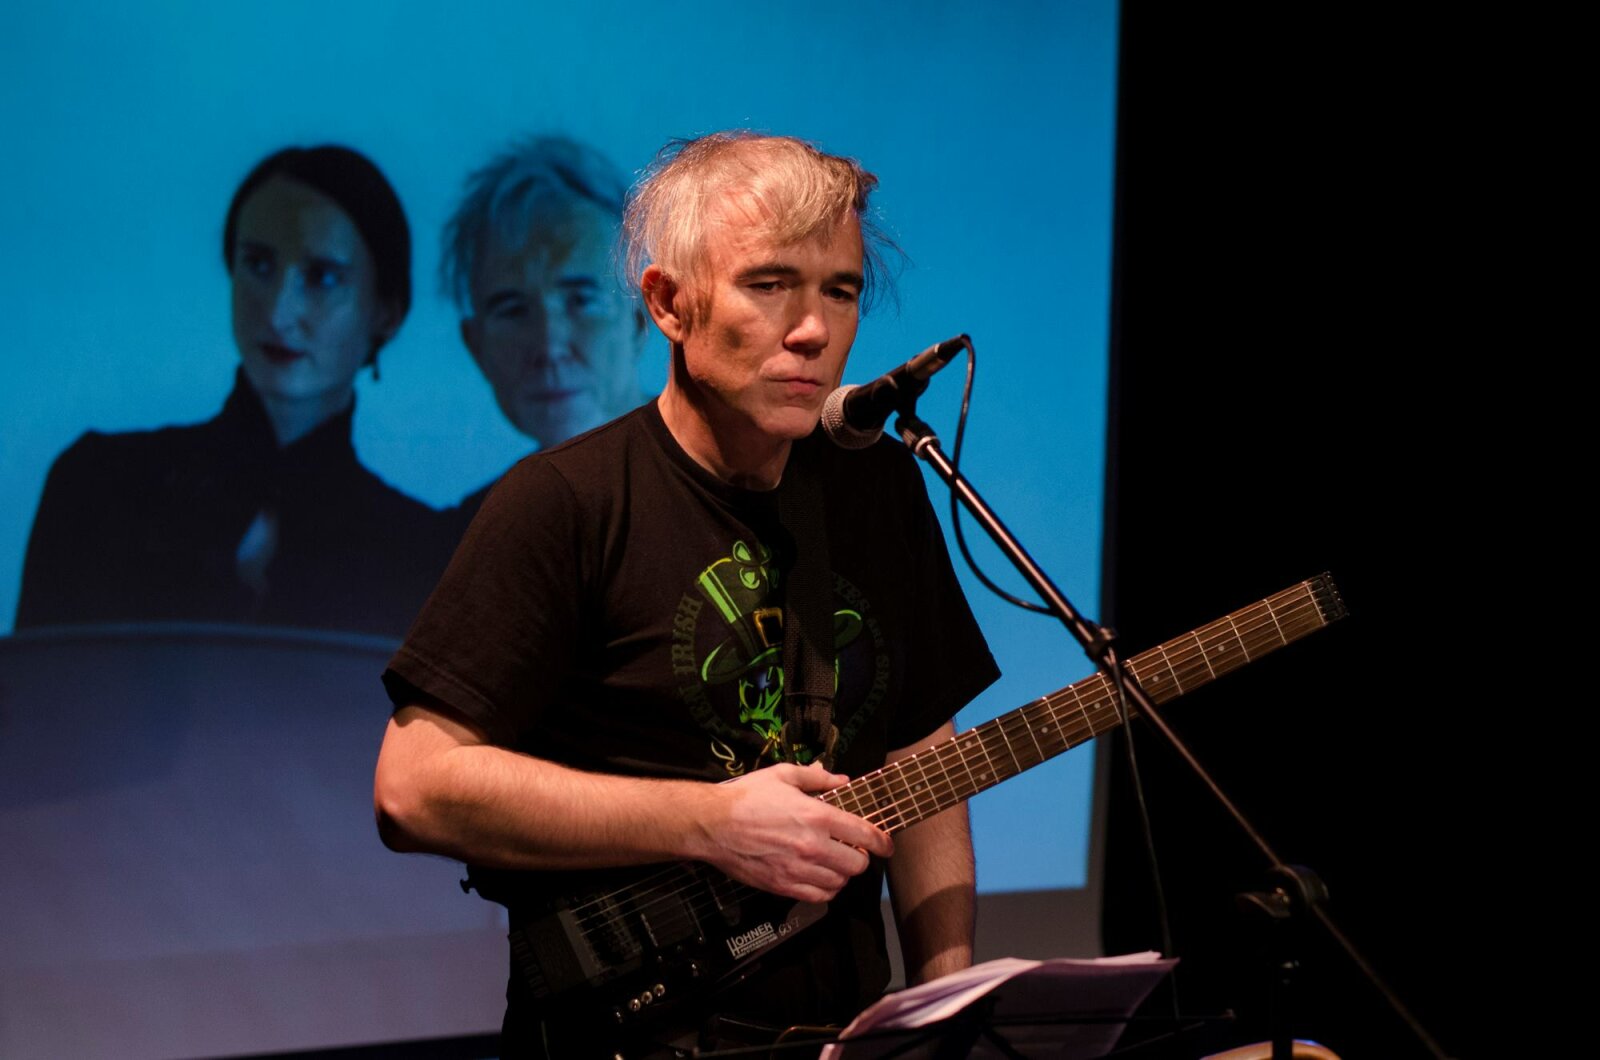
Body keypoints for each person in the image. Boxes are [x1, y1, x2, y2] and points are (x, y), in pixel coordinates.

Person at [375, 131, 999, 1057]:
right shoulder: (566, 503)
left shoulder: (874, 485)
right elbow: (414, 789)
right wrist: (709, 823)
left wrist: (944, 1004)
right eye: (769, 284)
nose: (813, 331)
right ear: (668, 304)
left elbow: (922, 755)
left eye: (840, 291)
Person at [14, 145, 454, 639]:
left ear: (386, 313)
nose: (278, 313)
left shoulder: (420, 555)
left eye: (323, 277)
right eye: (258, 264)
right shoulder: (97, 484)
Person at [440, 136, 649, 509]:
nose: (549, 347)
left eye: (581, 301)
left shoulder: (736, 482)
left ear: (640, 320)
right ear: (476, 347)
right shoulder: (475, 528)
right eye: (512, 310)